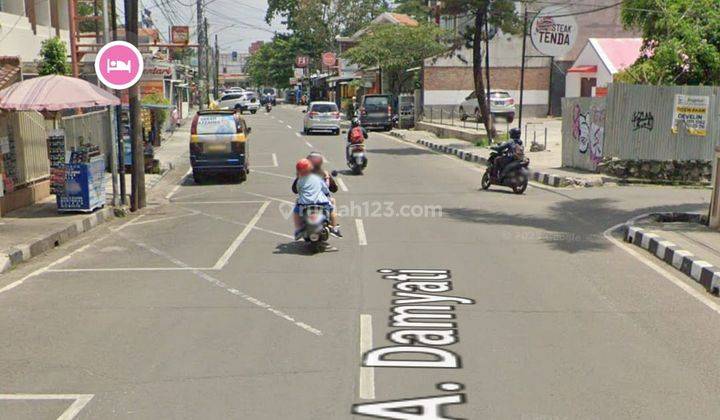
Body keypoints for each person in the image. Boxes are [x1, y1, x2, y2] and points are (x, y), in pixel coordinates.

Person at [292, 158, 342, 240]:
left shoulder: (299, 181)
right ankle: (333, 227)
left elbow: (298, 191)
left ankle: (298, 229)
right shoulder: (317, 178)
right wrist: (326, 194)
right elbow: (325, 189)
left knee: (296, 212)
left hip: (304, 205)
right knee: (331, 209)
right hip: (322, 203)